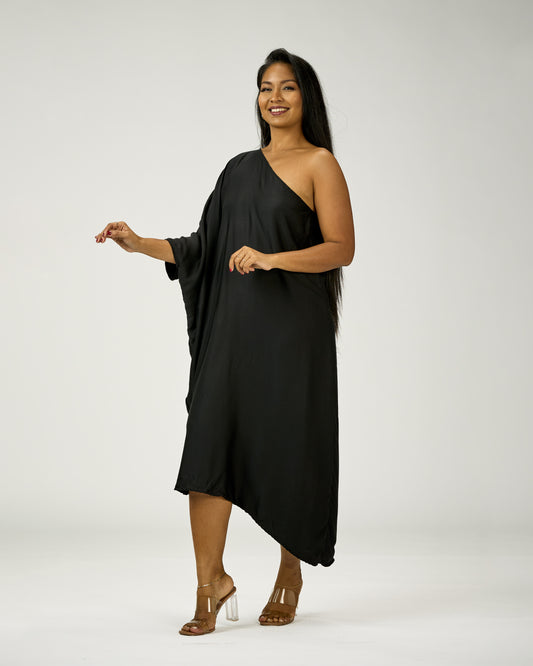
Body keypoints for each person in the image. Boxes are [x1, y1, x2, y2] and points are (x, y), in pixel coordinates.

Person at [94, 47, 355, 636]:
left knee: (290, 447)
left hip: (293, 338)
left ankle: (290, 570)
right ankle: (210, 582)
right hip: (233, 335)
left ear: (306, 97)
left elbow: (341, 248)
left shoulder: (320, 164)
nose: (275, 98)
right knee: (209, 446)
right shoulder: (238, 168)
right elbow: (203, 247)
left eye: (287, 87)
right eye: (266, 88)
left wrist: (272, 258)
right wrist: (140, 243)